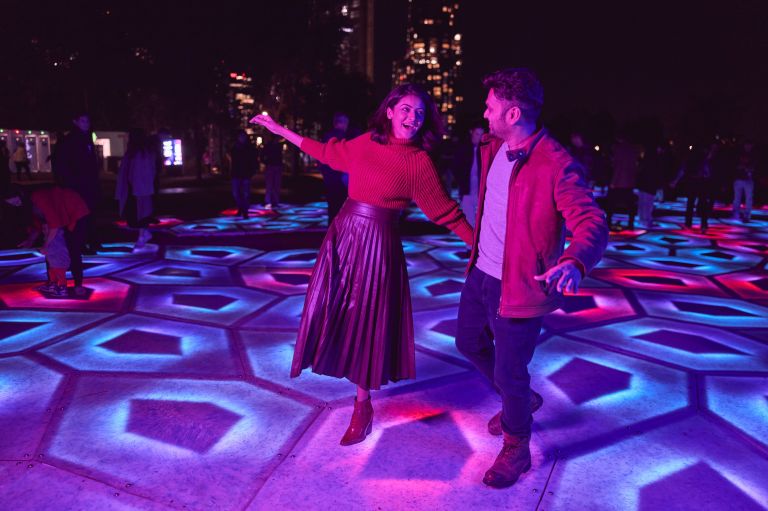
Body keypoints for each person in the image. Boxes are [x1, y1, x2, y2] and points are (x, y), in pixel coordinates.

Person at [250, 83, 473, 446]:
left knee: (366, 321)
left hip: (379, 246)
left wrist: (480, 247)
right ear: (389, 111)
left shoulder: (419, 163)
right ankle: (330, 363)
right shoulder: (367, 141)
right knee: (330, 307)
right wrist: (280, 130)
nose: (412, 118)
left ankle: (362, 404)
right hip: (344, 234)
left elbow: (447, 213)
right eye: (405, 109)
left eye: (419, 113)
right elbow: (326, 152)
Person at [454, 68, 608, 488]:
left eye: (490, 107)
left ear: (513, 112)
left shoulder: (556, 164)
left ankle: (517, 444)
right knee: (467, 343)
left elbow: (591, 219)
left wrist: (575, 261)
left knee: (510, 372)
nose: (484, 113)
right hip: (481, 272)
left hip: (520, 284)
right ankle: (520, 401)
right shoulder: (493, 145)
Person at [16, 186, 90, 297]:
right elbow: (39, 224)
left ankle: (77, 285)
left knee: (72, 249)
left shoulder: (37, 197)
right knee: (50, 252)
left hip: (74, 213)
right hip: (62, 218)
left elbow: (54, 225)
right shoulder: (28, 205)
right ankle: (53, 283)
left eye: (11, 199)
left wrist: (46, 245)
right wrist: (30, 240)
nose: (12, 203)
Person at [52, 112, 101, 253]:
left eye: (87, 121)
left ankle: (91, 241)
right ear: (75, 122)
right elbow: (64, 163)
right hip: (78, 184)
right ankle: (81, 243)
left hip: (87, 183)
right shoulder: (71, 140)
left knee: (89, 212)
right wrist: (69, 182)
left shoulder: (86, 138)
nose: (86, 123)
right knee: (80, 214)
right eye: (83, 121)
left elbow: (90, 162)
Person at [116, 128, 158, 248]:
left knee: (140, 213)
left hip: (138, 188)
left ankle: (142, 235)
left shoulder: (139, 153)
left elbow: (143, 172)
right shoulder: (140, 152)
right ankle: (143, 234)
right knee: (140, 213)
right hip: (138, 187)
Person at [671, 142, 718, 233]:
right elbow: (706, 171)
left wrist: (675, 181)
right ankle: (702, 224)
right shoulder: (701, 158)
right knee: (700, 203)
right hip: (699, 181)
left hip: (695, 181)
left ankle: (690, 223)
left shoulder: (692, 157)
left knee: (692, 203)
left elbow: (683, 170)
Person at [319, 112, 352, 224]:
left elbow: (321, 159)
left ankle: (331, 239)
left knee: (332, 212)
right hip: (341, 182)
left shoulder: (326, 137)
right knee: (342, 213)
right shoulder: (343, 138)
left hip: (330, 181)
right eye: (346, 123)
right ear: (342, 123)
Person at [451, 122, 486, 228]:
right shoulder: (464, 149)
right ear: (472, 133)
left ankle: (476, 241)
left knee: (480, 217)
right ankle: (470, 242)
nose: (479, 137)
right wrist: (461, 181)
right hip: (467, 188)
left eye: (481, 135)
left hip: (479, 189)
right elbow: (456, 166)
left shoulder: (483, 150)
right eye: (477, 134)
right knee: (468, 217)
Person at [229, 130, 259, 219]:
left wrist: (252, 171)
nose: (242, 138)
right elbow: (233, 161)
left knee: (245, 194)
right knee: (236, 193)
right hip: (236, 173)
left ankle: (244, 211)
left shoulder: (249, 148)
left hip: (246, 174)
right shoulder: (235, 147)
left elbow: (253, 160)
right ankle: (240, 208)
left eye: (243, 137)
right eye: (240, 136)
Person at [733, 139, 756, 222]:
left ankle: (747, 215)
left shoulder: (754, 155)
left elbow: (755, 167)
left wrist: (749, 169)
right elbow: (735, 165)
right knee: (737, 198)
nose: (748, 147)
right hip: (738, 179)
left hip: (749, 179)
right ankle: (736, 214)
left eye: (749, 145)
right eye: (747, 145)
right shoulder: (738, 154)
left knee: (749, 198)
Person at [260, 135, 283, 209]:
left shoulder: (278, 146)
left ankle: (273, 201)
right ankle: (269, 201)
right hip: (271, 166)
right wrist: (266, 162)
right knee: (270, 184)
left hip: (276, 166)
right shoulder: (270, 146)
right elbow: (262, 155)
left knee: (276, 184)